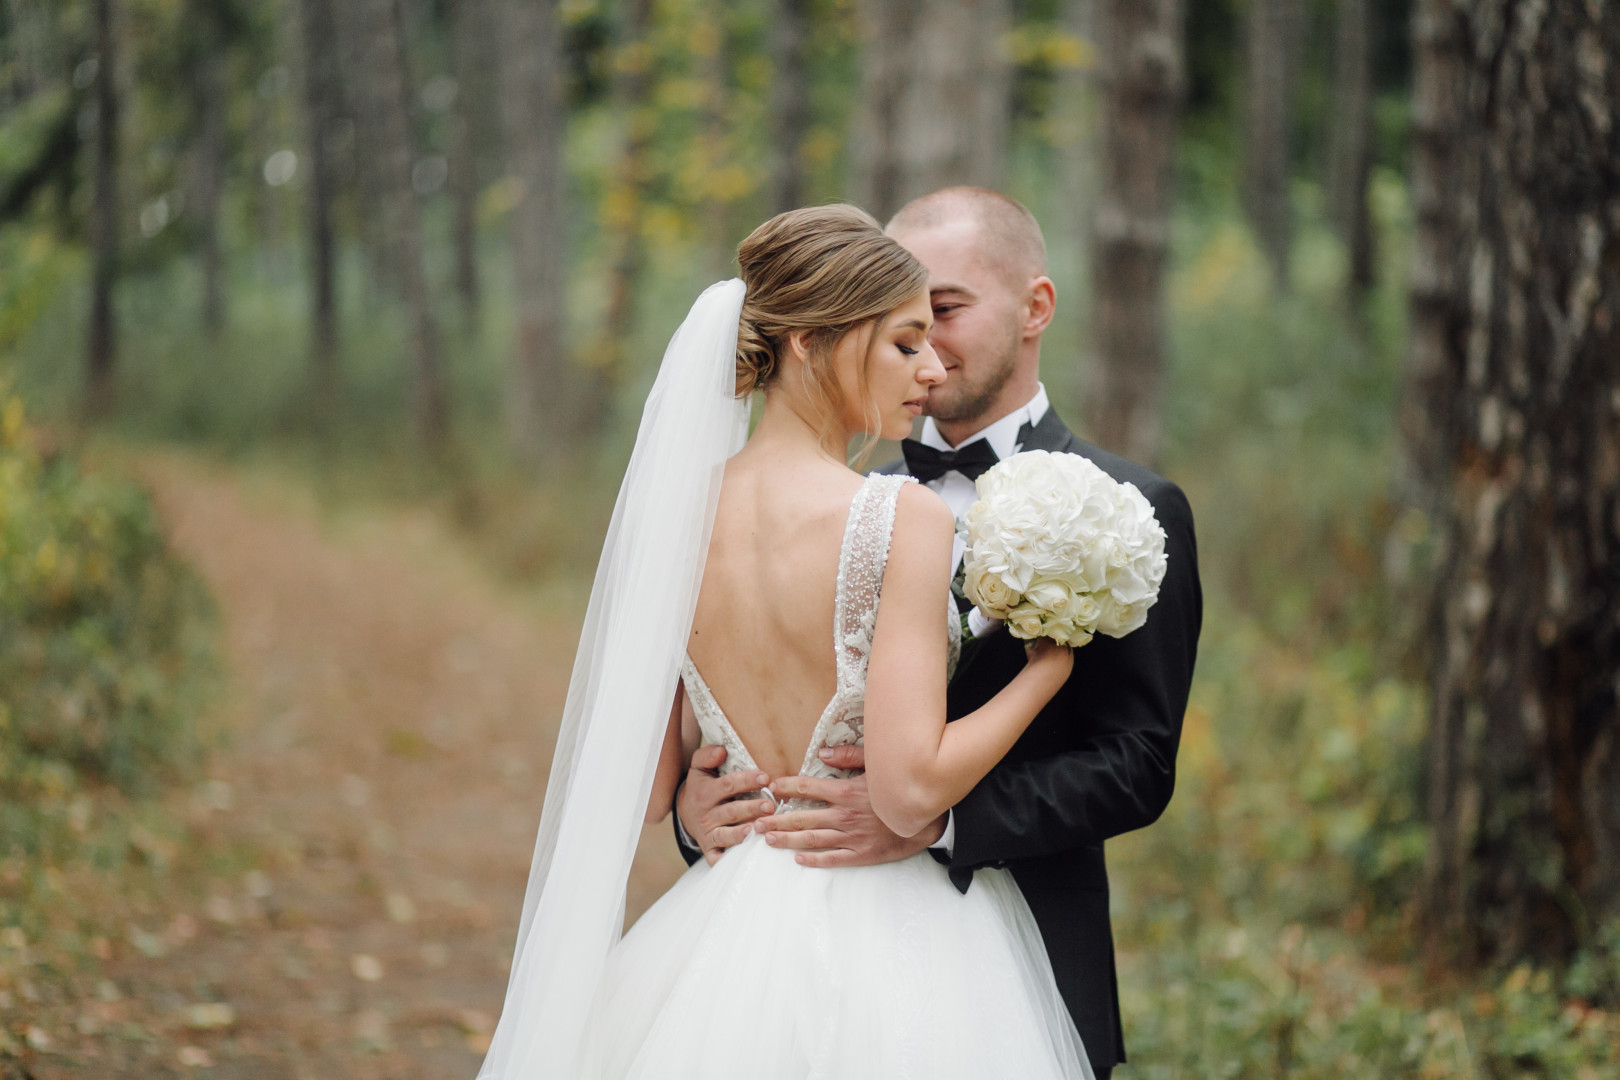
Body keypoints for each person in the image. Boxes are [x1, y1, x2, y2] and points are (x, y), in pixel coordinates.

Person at [478, 204, 1093, 1079]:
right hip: (888, 938)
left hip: (716, 931)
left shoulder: (672, 510)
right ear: (811, 342)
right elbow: (910, 788)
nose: (929, 369)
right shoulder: (896, 515)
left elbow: (650, 790)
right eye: (903, 343)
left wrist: (700, 800)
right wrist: (1046, 672)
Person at [674, 188, 1204, 1079]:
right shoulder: (866, 505)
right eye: (901, 326)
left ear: (1036, 307)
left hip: (1021, 973)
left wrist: (939, 824)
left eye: (944, 313)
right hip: (782, 957)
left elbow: (1139, 764)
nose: (923, 351)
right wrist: (701, 816)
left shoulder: (1130, 515)